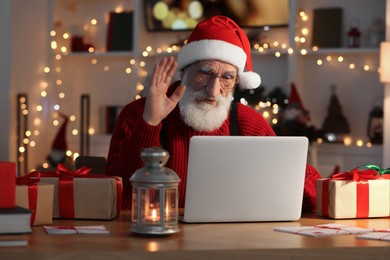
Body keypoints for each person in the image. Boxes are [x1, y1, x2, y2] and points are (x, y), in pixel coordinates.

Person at [105, 15, 321, 212]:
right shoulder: (136, 114)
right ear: (184, 73)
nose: (213, 90)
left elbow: (311, 191)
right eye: (205, 73)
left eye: (227, 77)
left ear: (237, 81)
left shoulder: (247, 122)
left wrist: (288, 173)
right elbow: (119, 201)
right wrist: (150, 123)